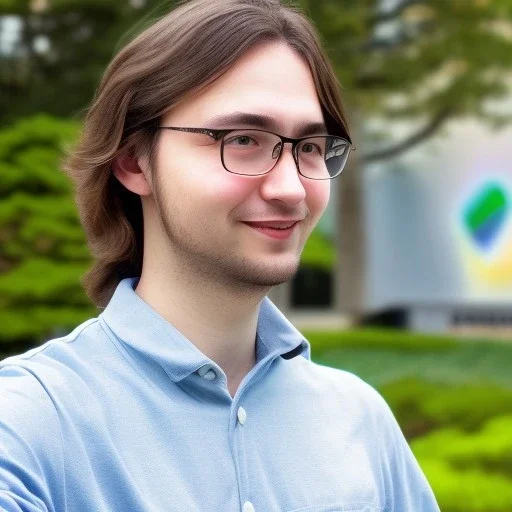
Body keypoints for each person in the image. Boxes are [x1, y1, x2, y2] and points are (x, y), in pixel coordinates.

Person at [0, 0, 440, 510]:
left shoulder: (360, 421)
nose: (291, 188)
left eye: (311, 146)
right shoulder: (30, 425)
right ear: (132, 162)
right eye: (243, 139)